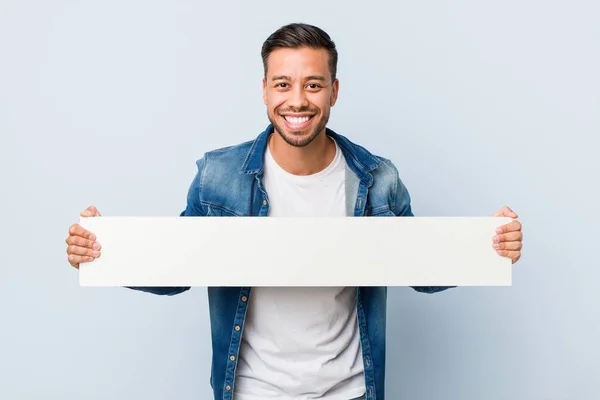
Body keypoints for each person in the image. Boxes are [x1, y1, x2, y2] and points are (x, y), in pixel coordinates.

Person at [64, 23, 523, 400]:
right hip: (250, 392)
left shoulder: (376, 177)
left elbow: (421, 267)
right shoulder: (219, 176)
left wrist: (488, 244)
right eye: (282, 84)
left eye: (313, 84)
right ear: (264, 90)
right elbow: (177, 268)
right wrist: (105, 251)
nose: (297, 100)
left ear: (334, 91)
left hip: (352, 392)